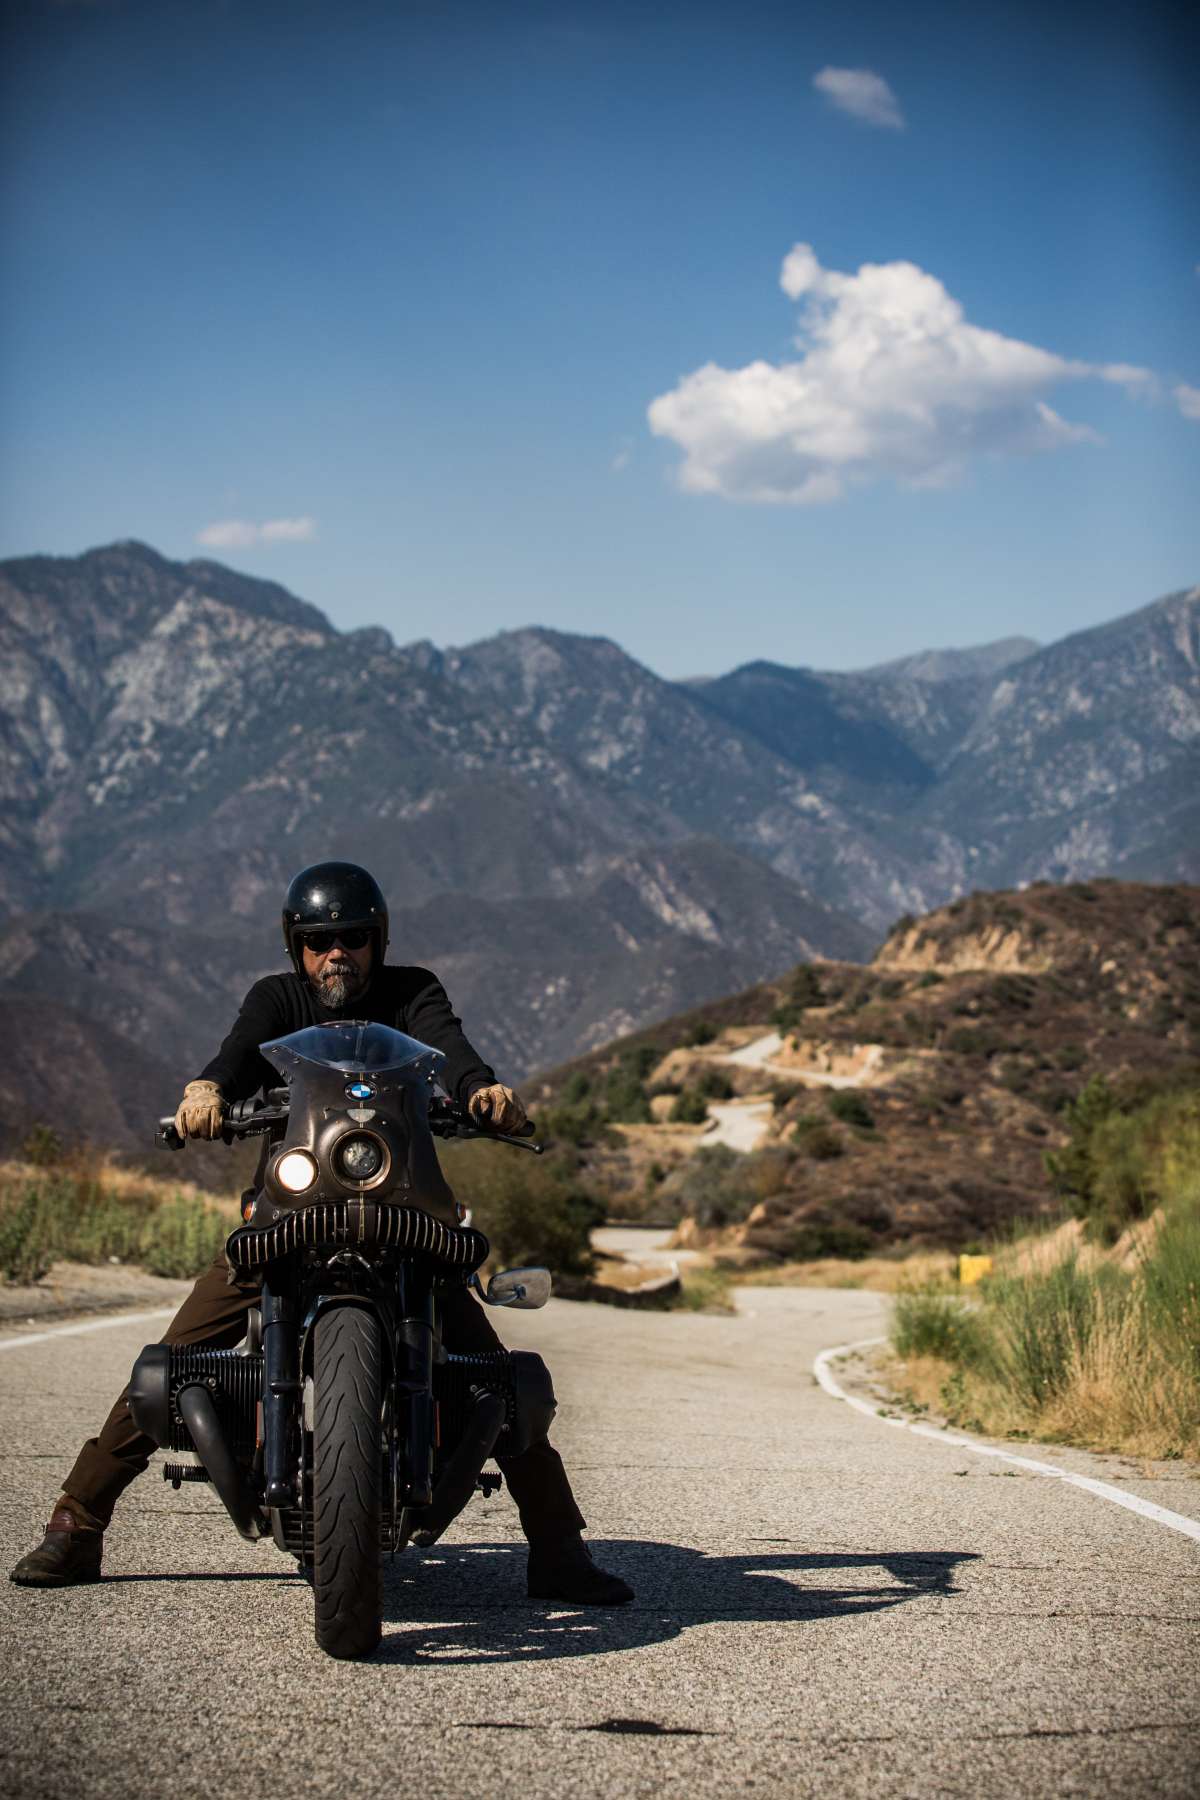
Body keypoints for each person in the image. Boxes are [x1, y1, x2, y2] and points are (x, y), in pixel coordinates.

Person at [11, 861, 633, 1607]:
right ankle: (76, 1523)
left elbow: (450, 1047)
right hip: (289, 1214)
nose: (336, 954)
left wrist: (481, 1091)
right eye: (318, 942)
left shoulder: (413, 992)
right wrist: (208, 1091)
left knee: (493, 1379)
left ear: (378, 941)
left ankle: (559, 1549)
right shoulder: (277, 998)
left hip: (404, 1213)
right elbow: (240, 1052)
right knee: (174, 1357)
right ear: (296, 947)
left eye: (353, 939)